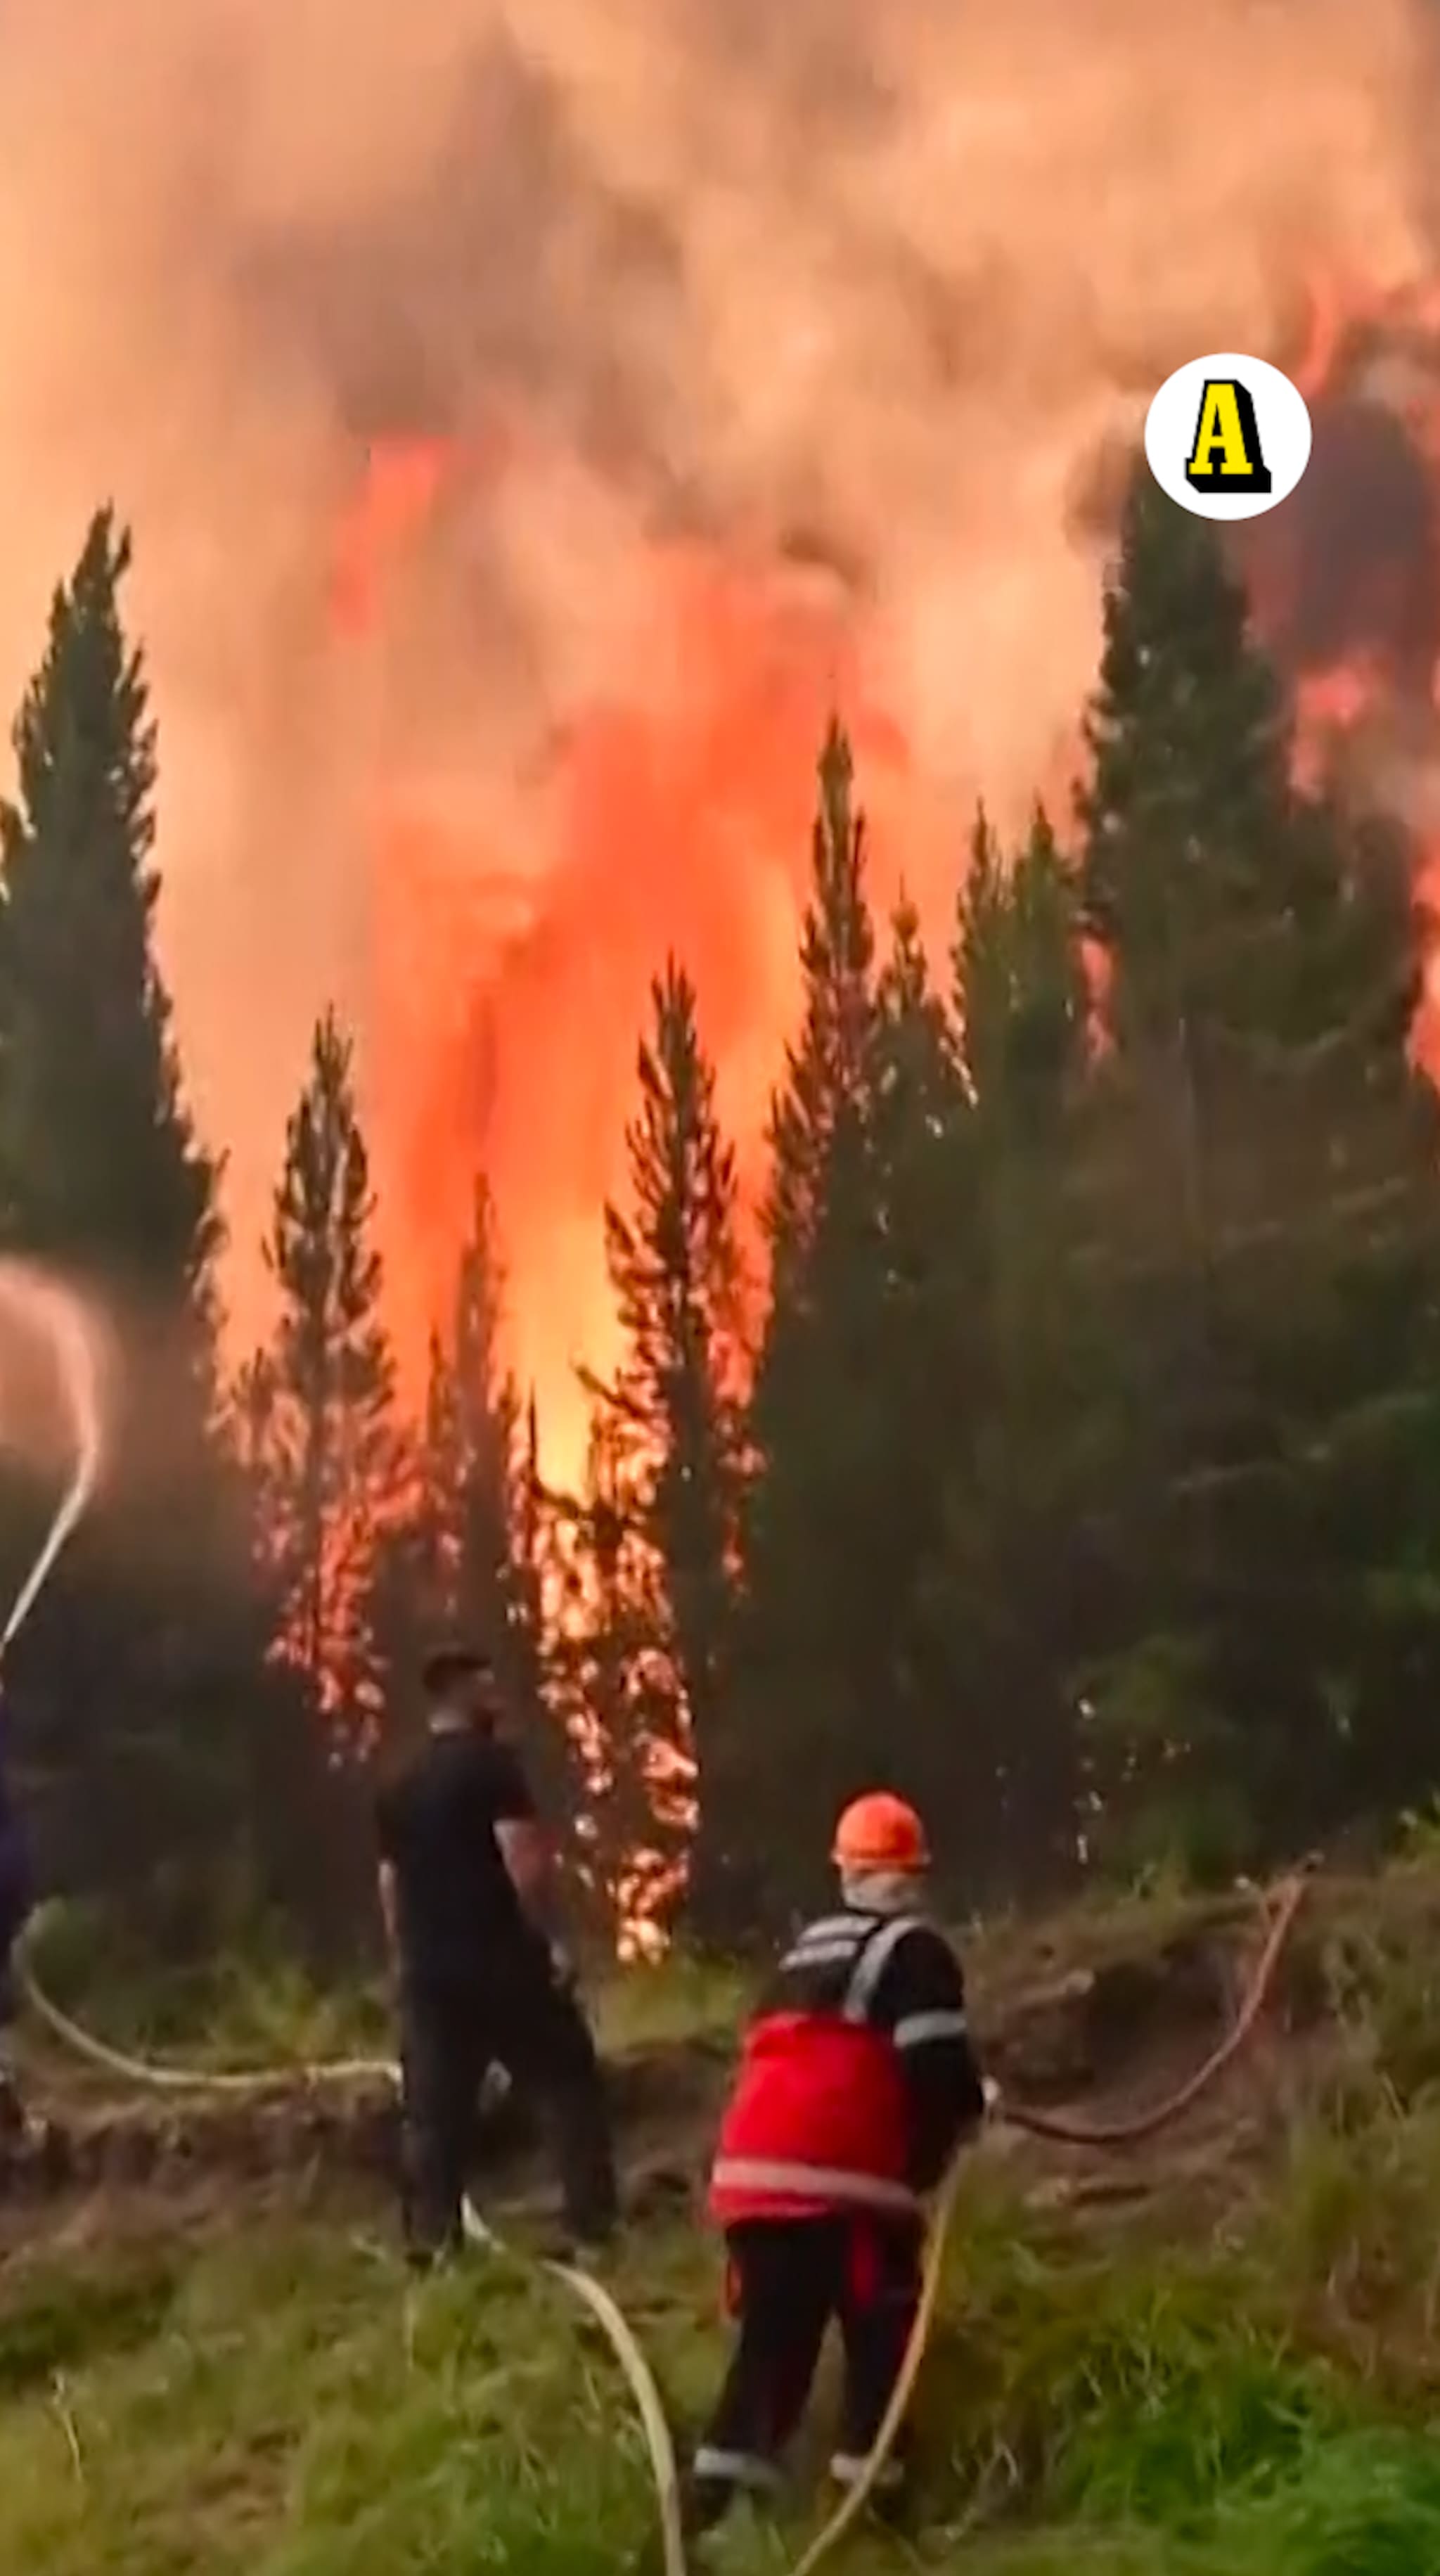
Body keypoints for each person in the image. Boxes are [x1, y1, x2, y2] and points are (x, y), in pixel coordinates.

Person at [686, 1791, 991, 2535]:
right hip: (836, 2189)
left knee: (770, 2352)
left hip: (750, 2183)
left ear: (845, 1873)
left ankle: (707, 2522)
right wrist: (958, 2123)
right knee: (881, 2335)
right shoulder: (915, 1952)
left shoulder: (801, 1953)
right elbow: (935, 2068)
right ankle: (875, 2513)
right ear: (915, 1876)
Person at [374, 1639, 619, 2266]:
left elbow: (390, 1887)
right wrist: (553, 1939)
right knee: (567, 2081)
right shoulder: (492, 1767)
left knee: (434, 2113)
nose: (497, 1697)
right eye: (486, 1686)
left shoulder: (399, 1783)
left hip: (432, 1978)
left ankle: (432, 2246)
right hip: (501, 1962)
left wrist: (405, 1963)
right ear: (458, 1693)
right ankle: (592, 2232)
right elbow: (526, 1864)